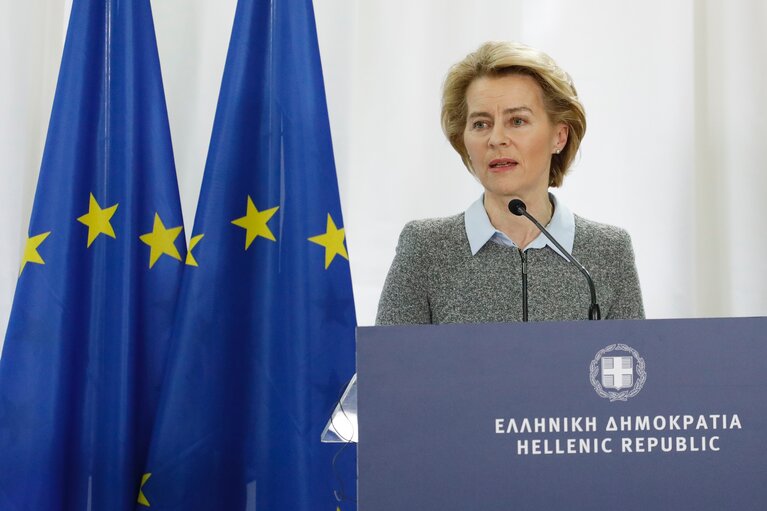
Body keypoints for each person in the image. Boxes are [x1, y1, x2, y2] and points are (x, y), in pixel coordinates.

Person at [376, 41, 644, 325]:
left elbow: (631, 363)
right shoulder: (426, 248)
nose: (496, 139)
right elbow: (389, 367)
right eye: (481, 124)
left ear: (559, 137)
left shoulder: (608, 251)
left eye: (517, 121)